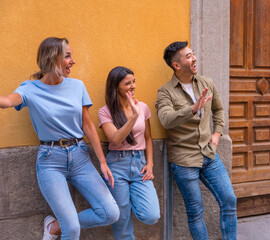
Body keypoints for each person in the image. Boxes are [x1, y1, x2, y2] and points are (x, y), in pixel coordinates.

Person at [0, 37, 120, 240]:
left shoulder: (77, 86)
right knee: (72, 229)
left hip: (80, 157)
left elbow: (88, 126)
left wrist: (101, 162)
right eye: (67, 56)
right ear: (51, 59)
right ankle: (65, 225)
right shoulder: (30, 88)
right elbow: (6, 101)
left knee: (111, 213)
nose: (73, 61)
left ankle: (54, 227)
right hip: (50, 161)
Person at [155, 41, 237, 239]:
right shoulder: (165, 92)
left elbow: (218, 109)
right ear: (176, 65)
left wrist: (217, 134)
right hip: (184, 161)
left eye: (193, 54)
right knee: (195, 212)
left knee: (229, 200)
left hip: (209, 154)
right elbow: (166, 119)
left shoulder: (206, 83)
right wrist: (192, 109)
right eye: (189, 56)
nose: (195, 58)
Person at [98, 66, 160, 240]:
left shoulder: (143, 107)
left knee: (151, 215)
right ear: (116, 87)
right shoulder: (105, 112)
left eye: (133, 82)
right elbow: (116, 139)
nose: (133, 86)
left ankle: (130, 199)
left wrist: (150, 164)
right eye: (127, 83)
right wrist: (133, 116)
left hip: (140, 164)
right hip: (116, 166)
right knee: (122, 219)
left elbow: (148, 138)